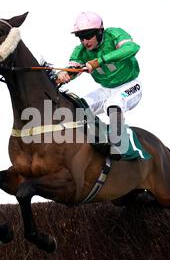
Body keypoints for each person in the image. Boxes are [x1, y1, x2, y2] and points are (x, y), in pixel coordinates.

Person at [56, 11, 142, 160]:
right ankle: (90, 140)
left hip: (130, 84)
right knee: (80, 106)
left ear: (100, 31)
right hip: (106, 89)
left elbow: (132, 48)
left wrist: (99, 61)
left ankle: (118, 142)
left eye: (88, 35)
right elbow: (73, 70)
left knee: (113, 104)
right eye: (81, 37)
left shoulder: (114, 34)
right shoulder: (80, 51)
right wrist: (63, 75)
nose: (84, 41)